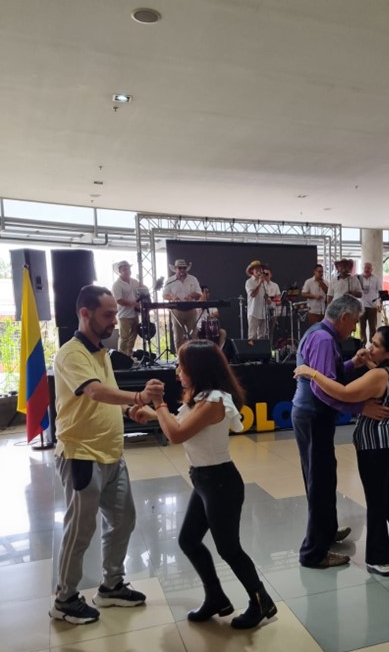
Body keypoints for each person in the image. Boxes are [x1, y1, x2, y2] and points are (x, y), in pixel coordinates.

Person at [136, 340, 277, 629]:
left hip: (220, 482)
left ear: (197, 369)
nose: (177, 371)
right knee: (188, 540)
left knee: (229, 548)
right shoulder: (201, 397)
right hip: (204, 480)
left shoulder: (215, 400)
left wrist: (158, 405)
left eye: (181, 365)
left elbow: (177, 434)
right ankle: (216, 597)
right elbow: (181, 422)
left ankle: (262, 601)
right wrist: (153, 414)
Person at [50, 286, 164, 625]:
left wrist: (130, 413)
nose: (115, 320)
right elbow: (95, 392)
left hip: (112, 453)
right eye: (107, 314)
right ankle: (65, 598)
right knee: (80, 530)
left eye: (115, 314)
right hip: (82, 455)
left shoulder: (101, 351)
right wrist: (138, 398)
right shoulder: (71, 353)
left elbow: (101, 401)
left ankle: (111, 586)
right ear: (85, 314)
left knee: (123, 519)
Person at [294, 326, 389, 576]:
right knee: (387, 488)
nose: (369, 347)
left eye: (376, 345)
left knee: (376, 501)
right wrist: (365, 363)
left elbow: (343, 393)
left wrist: (311, 372)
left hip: (378, 445)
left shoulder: (378, 376)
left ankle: (380, 559)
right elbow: (379, 378)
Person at [291, 295, 389, 569]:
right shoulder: (324, 339)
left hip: (311, 415)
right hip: (314, 414)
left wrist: (353, 364)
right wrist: (359, 408)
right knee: (319, 480)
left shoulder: (321, 333)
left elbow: (329, 375)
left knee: (322, 476)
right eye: (355, 321)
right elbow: (323, 389)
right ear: (344, 317)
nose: (355, 329)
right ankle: (313, 553)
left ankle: (326, 531)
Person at [163, 259, 203, 352]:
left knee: (193, 335)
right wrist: (172, 297)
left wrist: (191, 296)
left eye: (184, 268)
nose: (182, 270)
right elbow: (164, 295)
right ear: (175, 269)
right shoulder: (170, 281)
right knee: (178, 336)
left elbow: (199, 293)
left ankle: (195, 355)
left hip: (191, 310)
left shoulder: (193, 279)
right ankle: (179, 358)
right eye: (179, 268)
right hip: (177, 311)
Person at [111, 260, 142, 357]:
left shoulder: (134, 281)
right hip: (124, 314)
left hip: (134, 313)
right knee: (124, 336)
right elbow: (119, 300)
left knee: (134, 334)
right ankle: (121, 356)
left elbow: (141, 289)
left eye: (128, 269)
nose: (127, 271)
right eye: (124, 269)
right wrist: (133, 304)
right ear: (120, 271)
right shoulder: (117, 284)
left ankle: (129, 353)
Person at [245, 260, 280, 339]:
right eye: (256, 269)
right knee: (252, 336)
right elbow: (252, 294)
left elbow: (265, 295)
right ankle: (251, 351)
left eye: (260, 269)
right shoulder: (249, 282)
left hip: (263, 313)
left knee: (262, 337)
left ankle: (260, 351)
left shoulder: (264, 282)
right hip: (253, 312)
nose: (259, 271)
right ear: (252, 271)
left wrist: (268, 299)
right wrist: (259, 282)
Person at [358, 262, 381, 344]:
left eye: (369, 268)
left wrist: (380, 304)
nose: (367, 269)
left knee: (372, 327)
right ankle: (362, 344)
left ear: (372, 269)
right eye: (365, 267)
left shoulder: (376, 279)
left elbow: (380, 292)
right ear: (363, 268)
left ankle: (373, 344)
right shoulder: (358, 278)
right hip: (361, 305)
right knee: (362, 327)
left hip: (372, 306)